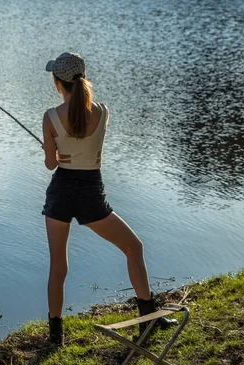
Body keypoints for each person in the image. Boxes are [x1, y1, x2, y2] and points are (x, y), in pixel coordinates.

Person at [41, 52, 176, 345]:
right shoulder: (102, 111)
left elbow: (51, 164)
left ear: (57, 81)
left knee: (58, 266)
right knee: (134, 247)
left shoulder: (50, 117)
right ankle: (148, 318)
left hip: (61, 192)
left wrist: (48, 147)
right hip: (91, 192)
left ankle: (55, 336)